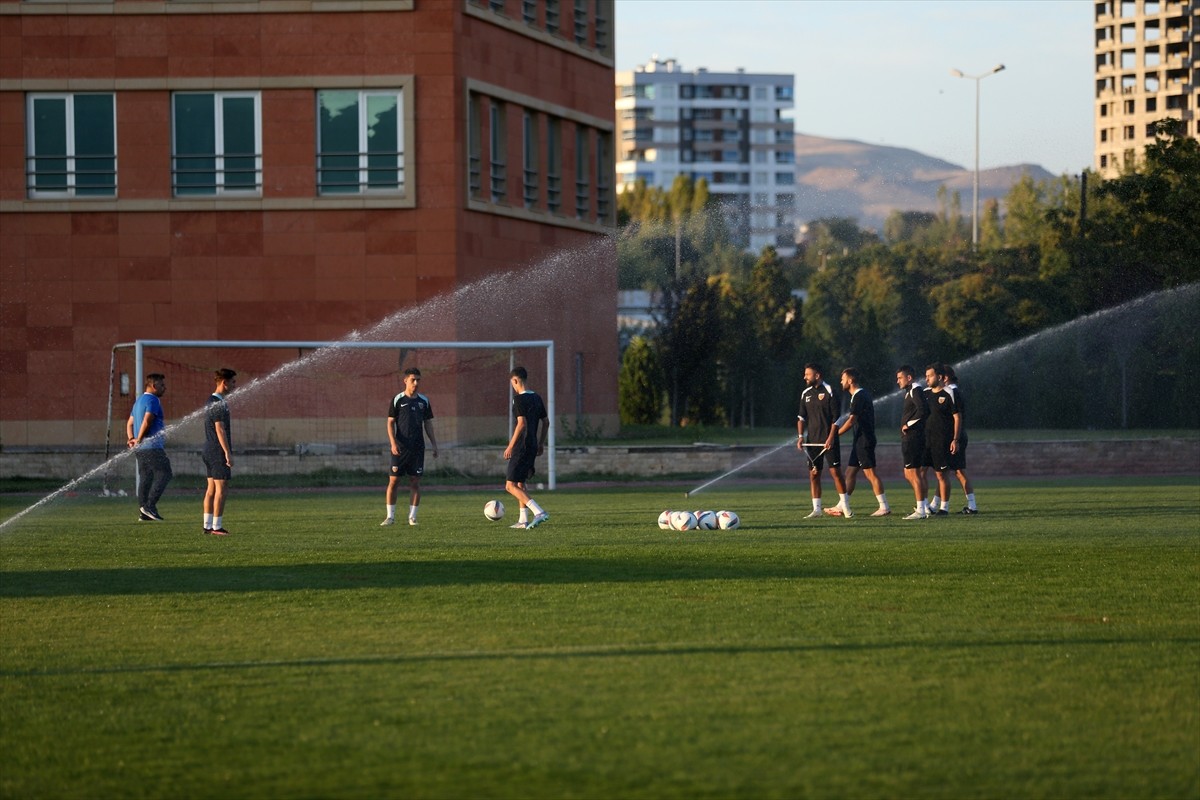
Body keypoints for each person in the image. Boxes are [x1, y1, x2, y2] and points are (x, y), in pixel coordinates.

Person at [382, 367, 439, 526]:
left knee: (415, 482)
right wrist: (393, 443)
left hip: (417, 448)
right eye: (413, 379)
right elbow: (390, 423)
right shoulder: (398, 399)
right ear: (405, 380)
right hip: (400, 447)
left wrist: (434, 444)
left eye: (418, 380)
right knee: (394, 481)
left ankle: (412, 517)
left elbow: (428, 423)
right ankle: (390, 517)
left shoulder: (424, 401)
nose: (416, 383)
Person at [796, 362, 851, 518]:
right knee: (814, 474)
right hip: (812, 442)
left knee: (836, 473)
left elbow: (837, 418)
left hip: (829, 440)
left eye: (808, 374)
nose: (805, 377)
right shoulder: (805, 393)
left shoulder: (830, 391)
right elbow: (800, 418)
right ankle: (817, 509)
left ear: (817, 375)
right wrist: (800, 437)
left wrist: (831, 437)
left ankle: (845, 507)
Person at [834, 367, 890, 516]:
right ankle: (841, 505)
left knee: (870, 473)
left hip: (865, 440)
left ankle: (884, 506)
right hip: (859, 440)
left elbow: (852, 420)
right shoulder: (858, 395)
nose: (841, 381)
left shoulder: (859, 395)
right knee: (850, 472)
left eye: (843, 378)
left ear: (850, 380)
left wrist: (836, 433)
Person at [504, 366, 550, 529]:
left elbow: (521, 424)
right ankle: (523, 520)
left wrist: (510, 446)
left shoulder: (518, 399)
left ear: (515, 380)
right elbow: (546, 422)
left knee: (510, 486)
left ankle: (539, 512)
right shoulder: (537, 398)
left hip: (521, 446)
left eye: (512, 383)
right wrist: (541, 443)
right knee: (520, 484)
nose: (513, 387)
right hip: (532, 445)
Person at [126, 373, 173, 521]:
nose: (164, 388)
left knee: (146, 477)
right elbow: (147, 421)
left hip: (140, 450)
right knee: (165, 473)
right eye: (162, 385)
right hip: (152, 446)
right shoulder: (154, 400)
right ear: (154, 386)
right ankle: (149, 506)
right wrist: (138, 439)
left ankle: (143, 512)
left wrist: (131, 439)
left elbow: (129, 423)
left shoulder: (139, 401)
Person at [922, 362, 961, 517]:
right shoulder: (925, 394)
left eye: (929, 376)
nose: (927, 379)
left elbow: (957, 417)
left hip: (942, 440)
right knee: (920, 471)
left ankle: (944, 507)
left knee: (941, 474)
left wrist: (955, 439)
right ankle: (923, 504)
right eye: (925, 376)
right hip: (926, 440)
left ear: (939, 377)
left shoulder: (949, 393)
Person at [202, 368, 237, 536]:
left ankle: (207, 526)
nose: (235, 385)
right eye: (233, 382)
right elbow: (220, 429)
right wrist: (227, 453)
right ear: (225, 382)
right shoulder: (217, 402)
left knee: (211, 489)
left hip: (208, 449)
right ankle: (217, 527)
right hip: (217, 451)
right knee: (221, 489)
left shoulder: (212, 400)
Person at [896, 365, 931, 520]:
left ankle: (921, 510)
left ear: (909, 378)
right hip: (910, 438)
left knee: (914, 473)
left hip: (913, 438)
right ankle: (924, 505)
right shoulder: (910, 391)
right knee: (908, 473)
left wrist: (908, 424)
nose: (898, 381)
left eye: (900, 378)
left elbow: (924, 410)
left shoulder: (916, 389)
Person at [944, 365, 979, 514]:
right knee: (947, 472)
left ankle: (972, 505)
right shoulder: (953, 391)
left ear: (944, 378)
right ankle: (936, 504)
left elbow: (958, 417)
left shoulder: (952, 391)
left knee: (956, 471)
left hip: (956, 436)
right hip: (955, 436)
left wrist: (955, 439)